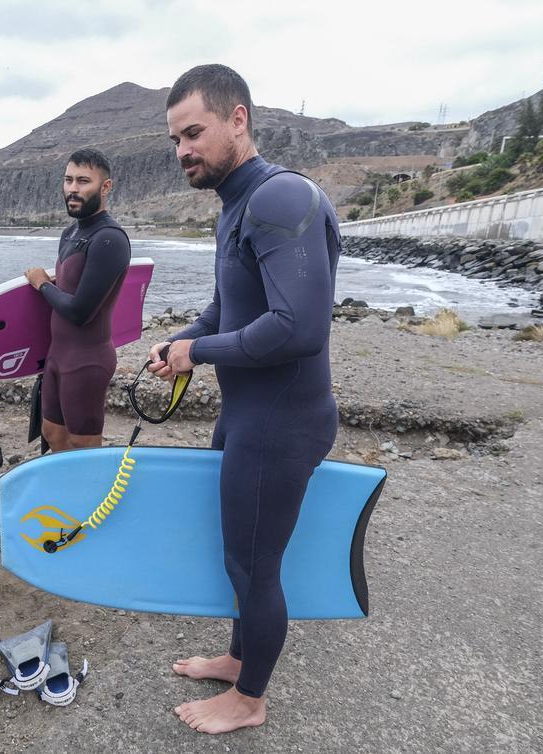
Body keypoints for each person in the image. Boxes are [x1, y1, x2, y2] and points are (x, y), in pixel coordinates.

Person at [148, 64, 341, 735]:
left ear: (238, 120)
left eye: (194, 132)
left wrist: (200, 353)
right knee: (238, 555)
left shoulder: (280, 199)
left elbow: (299, 328)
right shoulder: (239, 205)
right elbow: (227, 308)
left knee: (254, 565)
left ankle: (250, 699)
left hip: (282, 421)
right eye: (175, 140)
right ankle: (239, 657)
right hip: (248, 415)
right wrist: (185, 338)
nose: (183, 152)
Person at [24, 148, 131, 451]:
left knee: (84, 446)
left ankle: (93, 499)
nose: (73, 188)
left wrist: (42, 284)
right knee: (53, 434)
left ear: (105, 187)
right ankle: (65, 499)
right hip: (58, 355)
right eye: (68, 180)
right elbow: (74, 284)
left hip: (87, 360)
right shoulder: (70, 233)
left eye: (83, 181)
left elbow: (81, 310)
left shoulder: (110, 239)